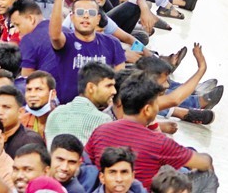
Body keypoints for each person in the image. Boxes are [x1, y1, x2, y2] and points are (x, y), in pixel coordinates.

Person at [85, 73, 217, 191]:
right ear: (147, 109)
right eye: (156, 104)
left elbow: (86, 163)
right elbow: (205, 162)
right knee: (207, 176)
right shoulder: (158, 142)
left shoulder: (101, 130)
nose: (158, 108)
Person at [43, 62, 115, 145]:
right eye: (109, 86)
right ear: (91, 87)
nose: (114, 91)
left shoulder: (55, 114)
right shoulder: (102, 120)